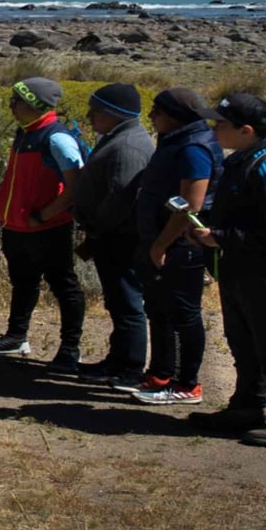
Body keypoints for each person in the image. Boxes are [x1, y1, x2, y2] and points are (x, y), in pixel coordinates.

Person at [189, 94, 266, 446]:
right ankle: (246, 407)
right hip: (243, 267)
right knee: (243, 342)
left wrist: (221, 236)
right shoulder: (243, 160)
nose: (214, 128)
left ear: (246, 131)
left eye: (221, 123)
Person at [0, 77, 86, 371]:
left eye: (17, 101)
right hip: (17, 226)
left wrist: (44, 215)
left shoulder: (55, 137)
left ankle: (70, 349)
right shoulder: (25, 132)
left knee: (64, 287)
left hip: (48, 228)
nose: (11, 105)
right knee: (23, 282)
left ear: (35, 104)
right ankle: (16, 337)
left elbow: (76, 187)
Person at [125, 87, 222, 404]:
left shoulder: (194, 147)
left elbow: (190, 205)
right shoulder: (177, 140)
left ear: (176, 117)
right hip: (159, 239)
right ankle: (160, 376)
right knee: (160, 310)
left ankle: (186, 385)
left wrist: (161, 245)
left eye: (158, 111)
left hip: (180, 244)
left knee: (183, 314)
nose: (151, 116)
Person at [69, 83, 154, 386]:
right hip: (112, 235)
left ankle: (129, 368)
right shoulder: (120, 138)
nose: (90, 116)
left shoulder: (128, 145)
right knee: (118, 302)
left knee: (127, 303)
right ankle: (117, 361)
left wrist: (96, 226)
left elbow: (121, 195)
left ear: (114, 114)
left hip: (119, 237)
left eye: (97, 111)